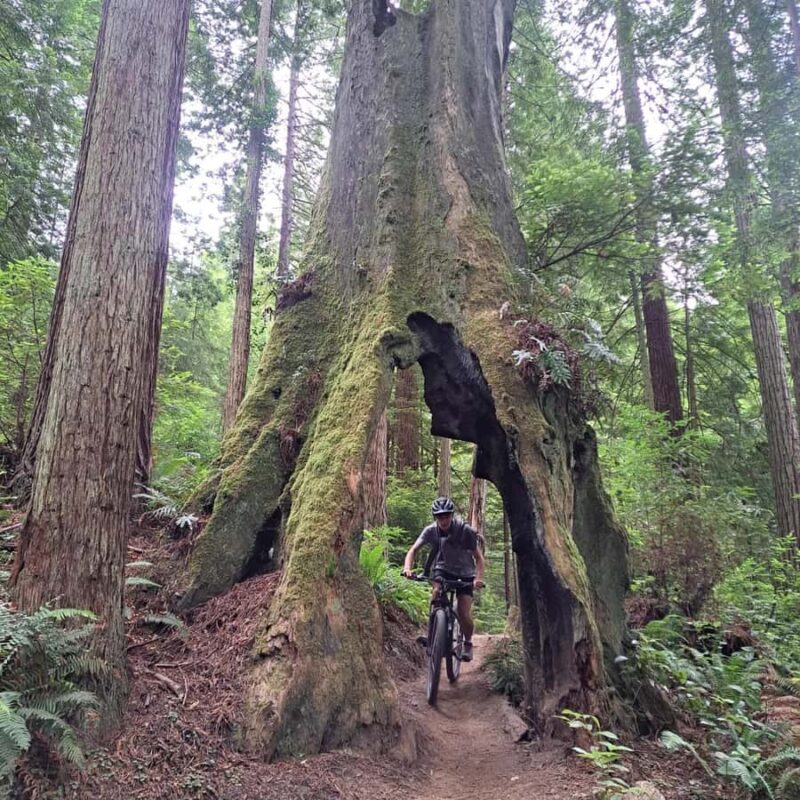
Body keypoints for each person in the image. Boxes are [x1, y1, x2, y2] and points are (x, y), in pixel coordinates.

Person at [402, 496, 485, 662]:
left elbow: (479, 559)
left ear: (451, 515)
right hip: (443, 568)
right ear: (435, 517)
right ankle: (432, 634)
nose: (443, 519)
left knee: (463, 611)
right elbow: (413, 551)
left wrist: (478, 579)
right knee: (436, 593)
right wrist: (407, 569)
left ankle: (467, 642)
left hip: (466, 573)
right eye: (440, 516)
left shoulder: (464, 531)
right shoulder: (431, 530)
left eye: (446, 515)